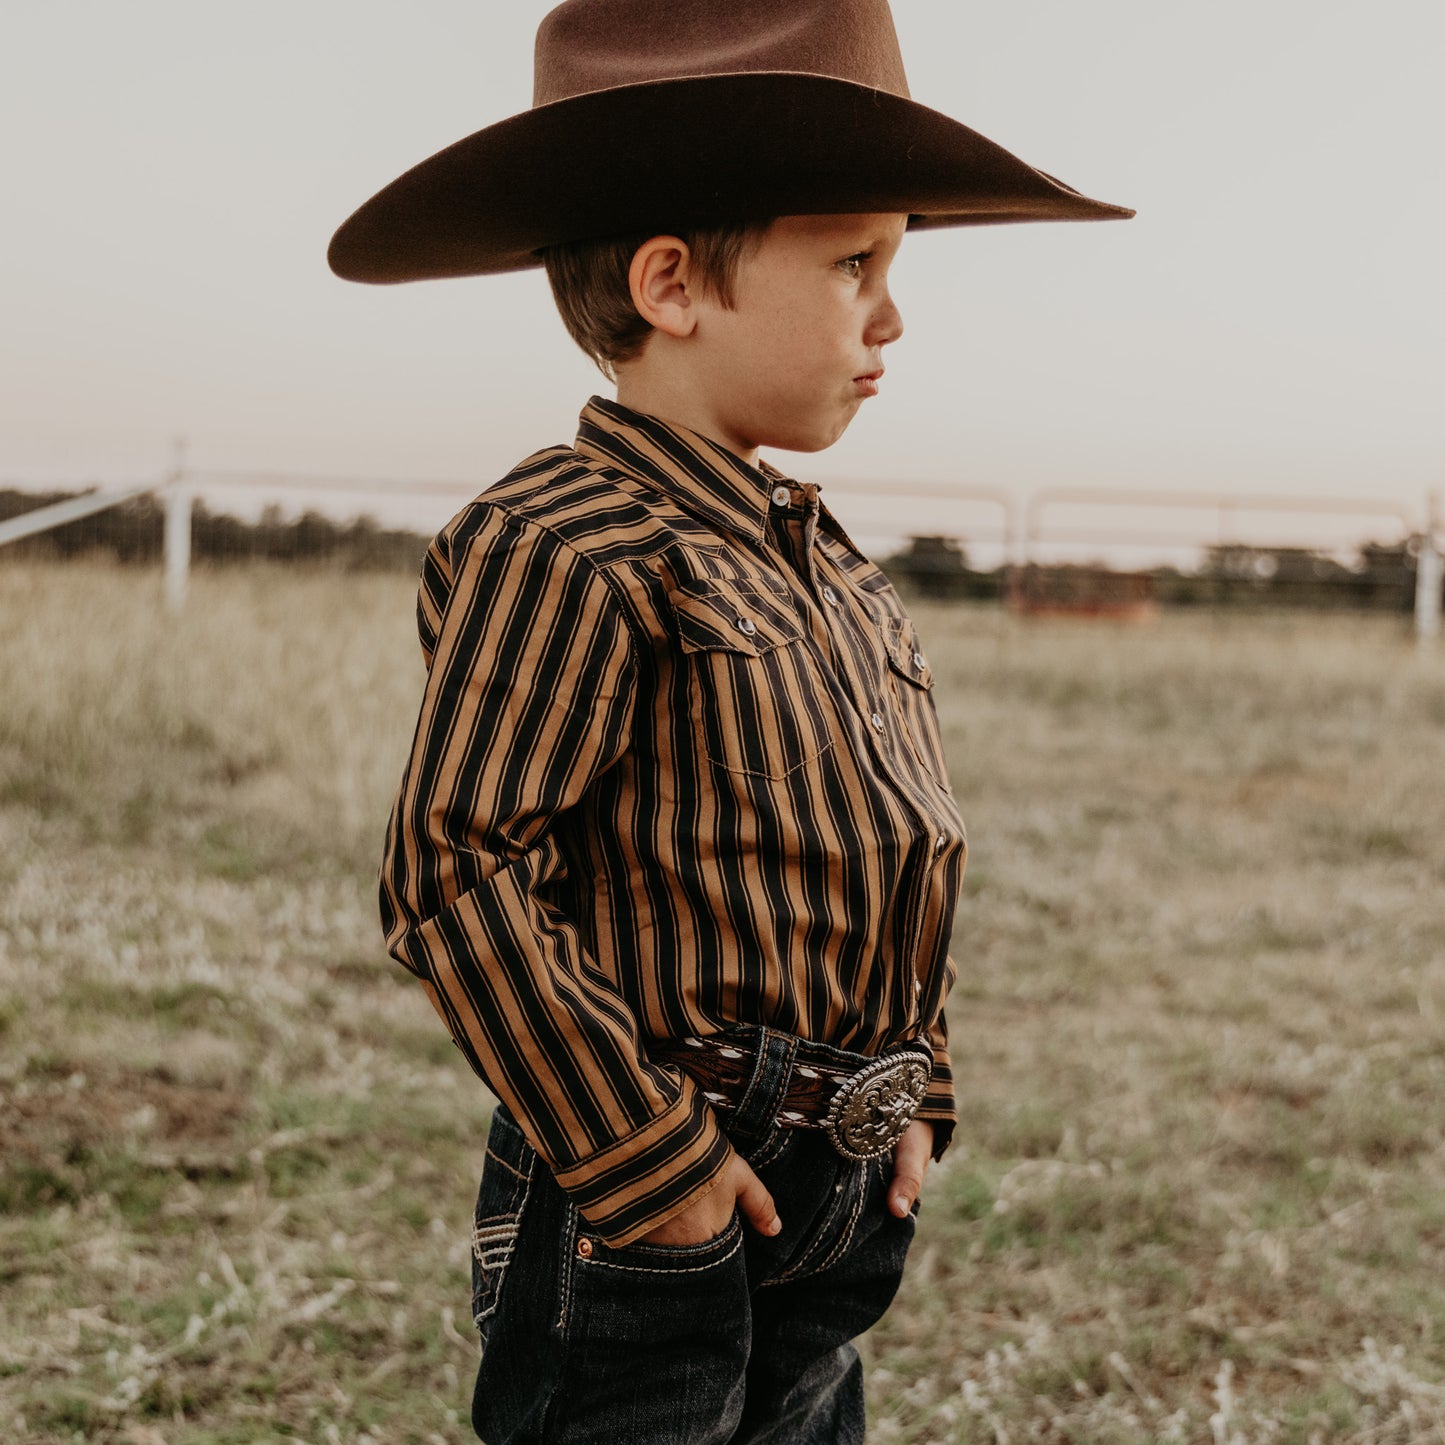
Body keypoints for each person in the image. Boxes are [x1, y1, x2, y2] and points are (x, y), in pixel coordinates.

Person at [329, 2, 1130, 1440]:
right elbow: (455, 871)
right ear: (671, 285)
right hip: (652, 1177)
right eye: (852, 264)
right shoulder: (565, 541)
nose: (891, 315)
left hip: (840, 1172)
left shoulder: (829, 565)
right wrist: (645, 1158)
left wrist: (918, 1085)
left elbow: (897, 847)